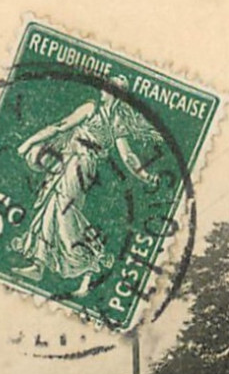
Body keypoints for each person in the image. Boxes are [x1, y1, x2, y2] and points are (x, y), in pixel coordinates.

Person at [10, 80, 162, 294]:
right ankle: (39, 264)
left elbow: (127, 156)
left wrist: (145, 176)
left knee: (64, 209)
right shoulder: (91, 108)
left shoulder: (117, 121)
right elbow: (60, 126)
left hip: (82, 166)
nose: (104, 90)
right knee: (52, 207)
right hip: (68, 160)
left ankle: (90, 261)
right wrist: (30, 142)